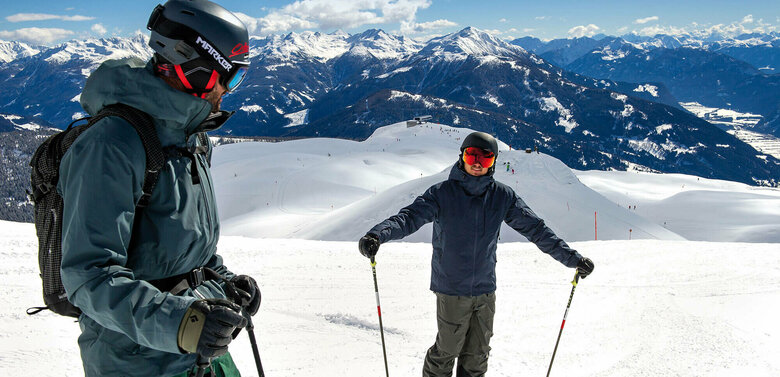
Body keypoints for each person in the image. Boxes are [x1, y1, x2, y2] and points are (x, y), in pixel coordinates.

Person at [58, 1, 259, 376]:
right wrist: (181, 324)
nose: (229, 92)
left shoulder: (191, 136)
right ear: (194, 69)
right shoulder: (112, 144)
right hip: (136, 361)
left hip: (195, 350)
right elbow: (88, 276)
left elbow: (183, 249)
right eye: (229, 79)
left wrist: (225, 282)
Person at [358, 131, 595, 377]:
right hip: (452, 288)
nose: (478, 163)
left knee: (478, 355)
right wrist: (377, 235)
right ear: (462, 157)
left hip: (485, 289)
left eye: (486, 158)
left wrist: (573, 259)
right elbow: (408, 218)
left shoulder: (502, 197)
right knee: (446, 351)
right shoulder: (442, 194)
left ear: (494, 162)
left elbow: (536, 229)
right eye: (472, 156)